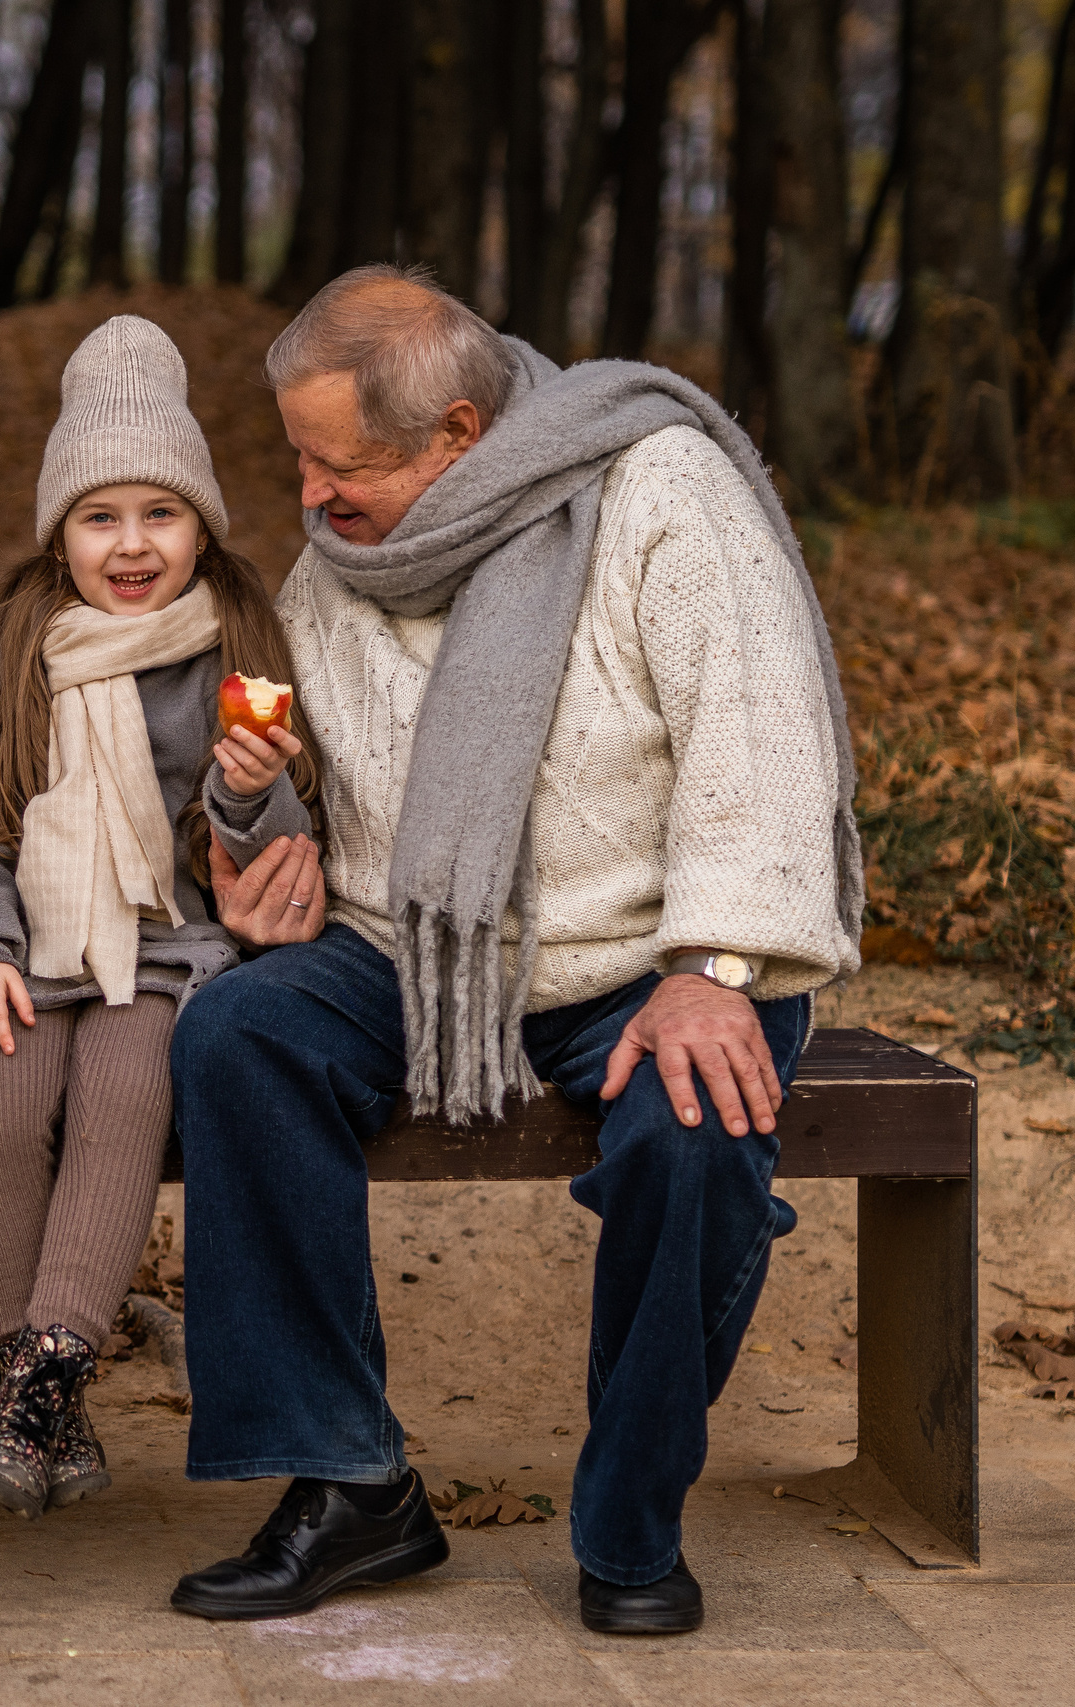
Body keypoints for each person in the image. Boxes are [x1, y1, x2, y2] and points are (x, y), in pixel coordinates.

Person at [166, 265, 863, 1635]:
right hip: (418, 950)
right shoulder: (344, 559)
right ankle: (349, 1483)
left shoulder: (659, 490)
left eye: (338, 462)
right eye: (296, 455)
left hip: (654, 949)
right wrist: (257, 843)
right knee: (239, 1033)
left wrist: (716, 970)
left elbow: (761, 736)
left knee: (694, 1124)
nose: (307, 493)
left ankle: (631, 1519)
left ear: (458, 434)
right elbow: (325, 798)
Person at [0, 317, 316, 1518]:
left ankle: (45, 1378)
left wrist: (250, 795)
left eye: (161, 514)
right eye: (100, 517)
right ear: (60, 533)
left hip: (172, 949)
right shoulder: (20, 644)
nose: (132, 544)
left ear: (202, 527)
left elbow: (275, 853)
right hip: (33, 943)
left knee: (126, 1090)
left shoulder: (237, 640)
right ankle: (39, 1392)